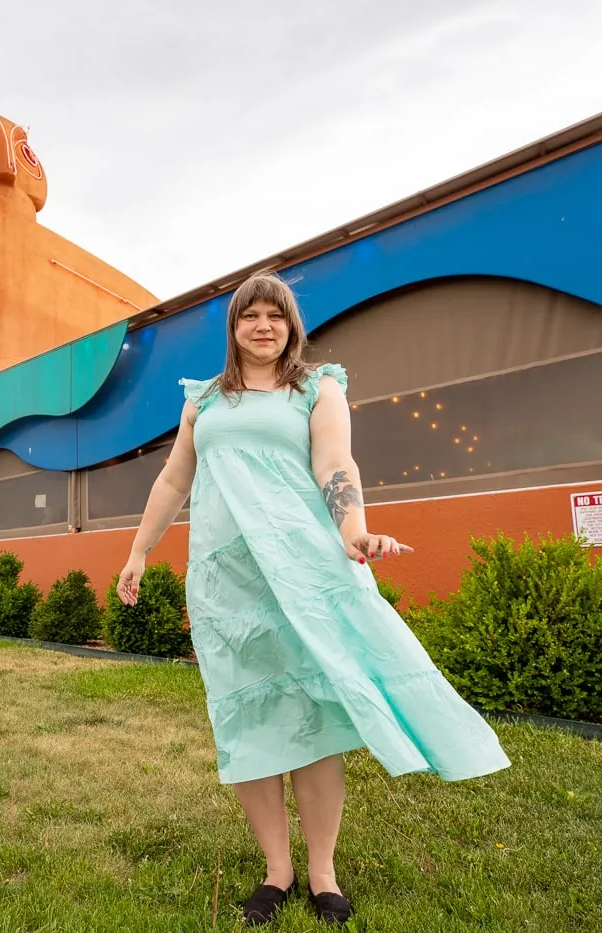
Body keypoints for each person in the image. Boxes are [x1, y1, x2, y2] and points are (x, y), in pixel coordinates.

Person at [116, 273, 511, 926]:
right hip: (228, 581)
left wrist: (354, 529)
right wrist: (138, 550)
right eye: (251, 316)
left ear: (292, 326)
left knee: (315, 720)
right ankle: (277, 870)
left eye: (277, 315)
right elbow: (173, 478)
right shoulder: (204, 401)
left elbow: (336, 464)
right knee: (248, 720)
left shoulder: (317, 386)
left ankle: (322, 872)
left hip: (304, 571)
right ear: (234, 328)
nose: (264, 325)